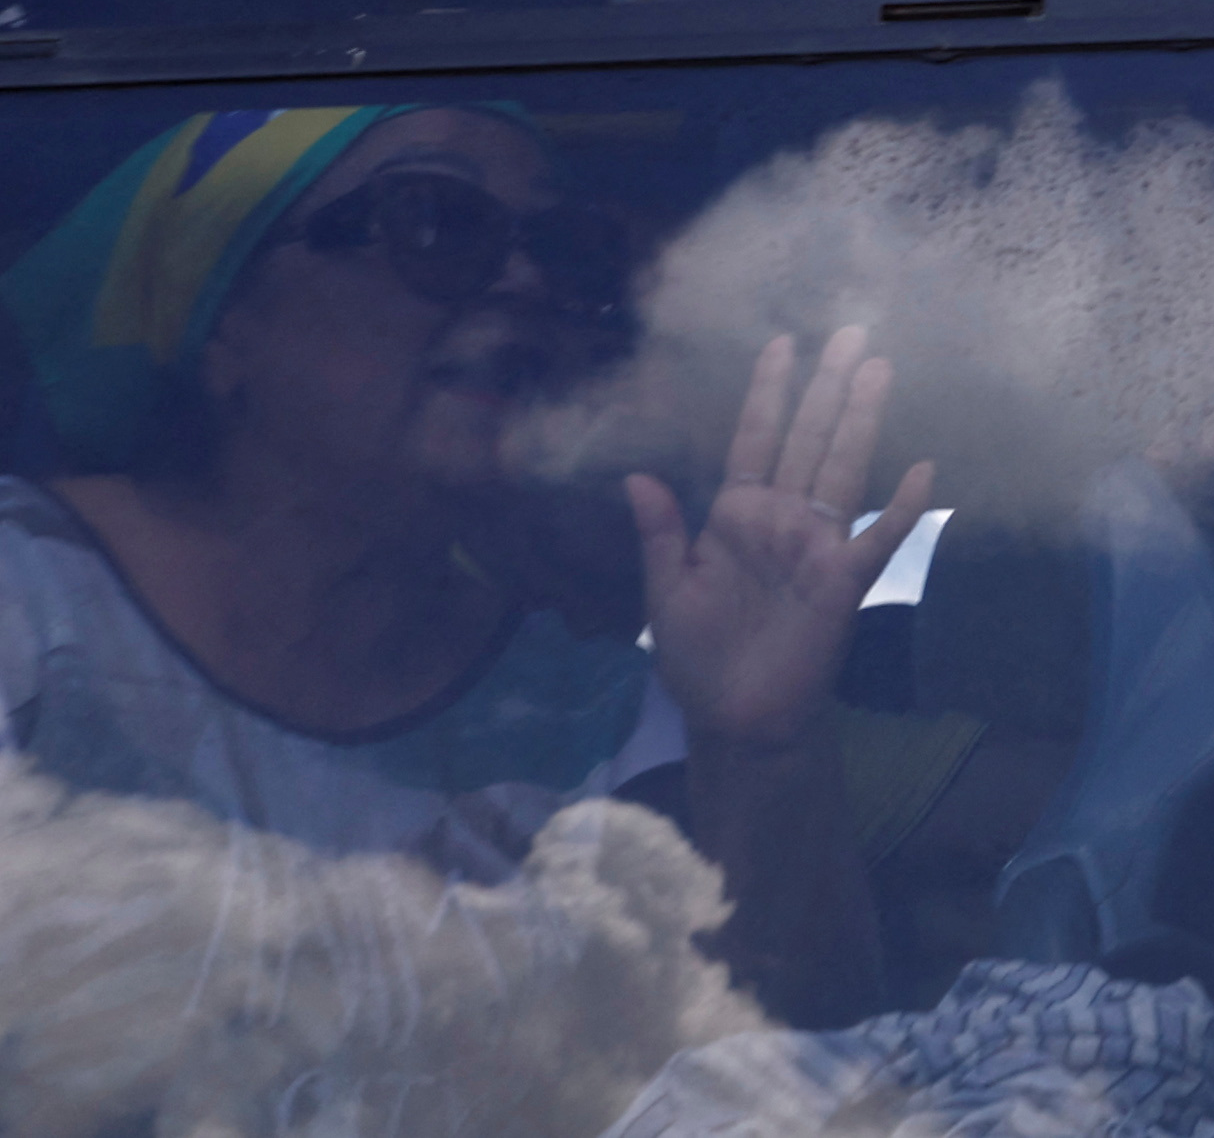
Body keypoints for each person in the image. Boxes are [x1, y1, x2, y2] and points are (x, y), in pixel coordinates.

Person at [0, 102, 933, 1028]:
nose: (525, 283)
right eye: (435, 221)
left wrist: (758, 743)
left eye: (563, 249)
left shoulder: (594, 705)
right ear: (224, 322)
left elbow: (787, 1056)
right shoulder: (25, 595)